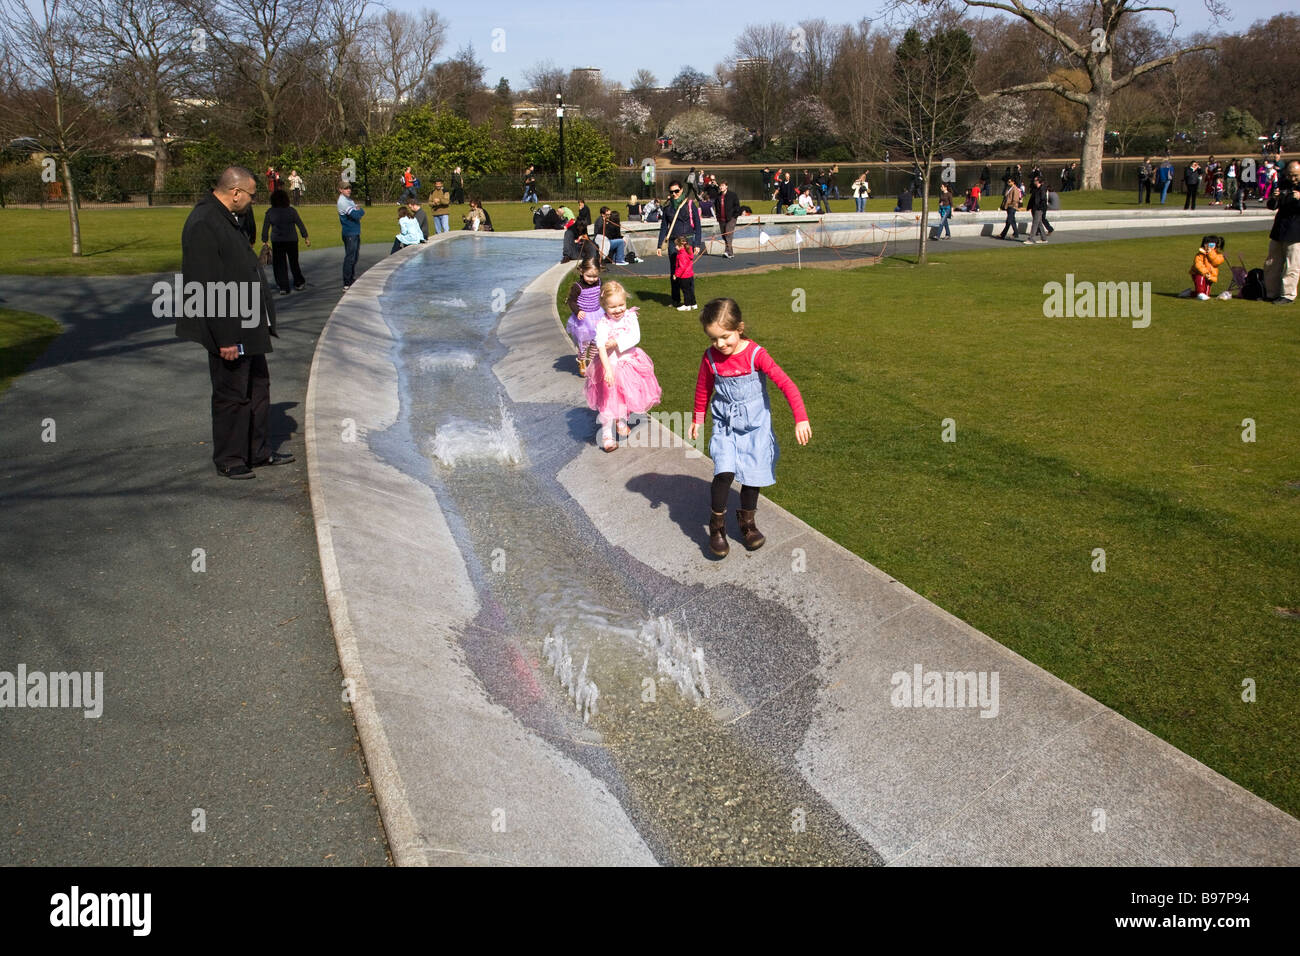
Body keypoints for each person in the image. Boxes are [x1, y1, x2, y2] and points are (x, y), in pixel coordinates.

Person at [178, 166, 289, 479]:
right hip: (230, 327)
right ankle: (230, 458)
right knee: (231, 394)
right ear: (235, 192)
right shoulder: (204, 222)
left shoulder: (229, 217)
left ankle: (258, 451)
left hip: (249, 321)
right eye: (251, 195)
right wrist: (225, 338)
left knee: (257, 389)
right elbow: (204, 285)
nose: (253, 201)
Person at [688, 297, 810, 557]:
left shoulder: (756, 354)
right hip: (725, 424)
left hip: (755, 425)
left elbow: (786, 384)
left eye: (725, 336)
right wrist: (698, 418)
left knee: (754, 474)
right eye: (713, 339)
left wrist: (800, 417)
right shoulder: (710, 358)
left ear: (739, 328)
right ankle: (717, 526)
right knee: (724, 471)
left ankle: (747, 523)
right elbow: (703, 389)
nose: (720, 344)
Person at [585, 280, 661, 452]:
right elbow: (601, 348)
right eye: (613, 307)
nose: (618, 310)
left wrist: (617, 342)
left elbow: (635, 337)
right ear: (604, 306)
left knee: (625, 396)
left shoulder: (630, 316)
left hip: (629, 364)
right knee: (608, 400)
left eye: (621, 305)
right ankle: (607, 436)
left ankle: (620, 421)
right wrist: (607, 370)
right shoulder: (603, 324)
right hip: (610, 365)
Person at [655, 180, 703, 309]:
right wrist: (659, 245)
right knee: (674, 271)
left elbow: (698, 226)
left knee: (688, 271)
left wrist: (697, 243)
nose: (674, 194)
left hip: (687, 241)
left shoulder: (689, 204)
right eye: (671, 192)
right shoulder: (667, 208)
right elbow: (664, 227)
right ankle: (675, 299)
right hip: (673, 242)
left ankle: (691, 301)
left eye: (676, 191)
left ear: (681, 190)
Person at [1264, 160, 1300, 304]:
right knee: (1271, 263)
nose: (1293, 179)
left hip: (1296, 231)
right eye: (1290, 175)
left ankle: (1288, 294)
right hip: (1280, 229)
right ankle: (1271, 292)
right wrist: (1275, 198)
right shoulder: (1283, 183)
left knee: (1292, 265)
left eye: (1296, 176)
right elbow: (1272, 206)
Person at [260, 188, 309, 293]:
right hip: (291, 239)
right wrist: (305, 237)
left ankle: (283, 286)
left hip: (277, 240)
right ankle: (298, 282)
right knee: (294, 262)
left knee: (279, 264)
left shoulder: (270, 212)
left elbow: (265, 227)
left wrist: (264, 239)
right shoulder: (291, 210)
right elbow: (300, 224)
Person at [566, 254, 603, 376]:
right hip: (584, 319)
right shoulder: (578, 287)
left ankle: (591, 362)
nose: (592, 279)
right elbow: (571, 301)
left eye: (595, 276)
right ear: (581, 271)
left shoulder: (599, 282)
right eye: (589, 276)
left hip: (597, 316)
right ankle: (581, 360)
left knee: (595, 342)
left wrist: (603, 296)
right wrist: (577, 311)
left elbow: (602, 294)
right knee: (584, 343)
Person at [337, 181, 364, 291]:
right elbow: (356, 215)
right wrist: (361, 210)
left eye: (349, 188)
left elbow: (356, 213)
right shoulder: (343, 202)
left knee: (354, 257)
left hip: (355, 232)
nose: (348, 190)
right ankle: (347, 282)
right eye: (346, 188)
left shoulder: (349, 200)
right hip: (350, 233)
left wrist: (358, 211)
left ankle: (351, 278)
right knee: (350, 257)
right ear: (340, 190)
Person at [1187, 235, 1225, 299]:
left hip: (1210, 275)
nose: (1208, 246)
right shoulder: (1200, 254)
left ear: (1215, 245)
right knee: (1200, 285)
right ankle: (1200, 293)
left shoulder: (1219, 255)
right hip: (1198, 273)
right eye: (1206, 244)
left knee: (1206, 294)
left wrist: (1210, 253)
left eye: (1211, 245)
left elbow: (1216, 262)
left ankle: (1190, 293)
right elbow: (1198, 265)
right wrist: (1205, 272)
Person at [715, 179, 740, 258]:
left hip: (731, 218)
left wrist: (735, 216)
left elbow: (737, 206)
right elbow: (716, 207)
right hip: (721, 219)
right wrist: (717, 216)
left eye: (722, 186)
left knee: (728, 234)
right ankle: (731, 253)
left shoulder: (732, 195)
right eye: (720, 186)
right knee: (724, 236)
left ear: (726, 186)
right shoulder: (718, 196)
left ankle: (727, 251)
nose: (721, 187)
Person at [673, 236, 698, 311]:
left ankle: (687, 305)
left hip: (684, 276)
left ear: (681, 245)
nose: (675, 247)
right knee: (690, 290)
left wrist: (676, 274)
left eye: (677, 245)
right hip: (690, 274)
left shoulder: (682, 255)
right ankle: (693, 304)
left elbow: (682, 267)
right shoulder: (688, 250)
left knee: (685, 291)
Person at [1024, 174, 1050, 243]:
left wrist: (1039, 207)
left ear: (1038, 181)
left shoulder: (1042, 189)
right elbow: (1032, 199)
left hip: (1039, 208)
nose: (1034, 181)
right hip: (1034, 208)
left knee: (1035, 223)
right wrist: (1029, 207)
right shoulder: (1035, 189)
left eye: (1035, 180)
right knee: (1039, 223)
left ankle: (1031, 238)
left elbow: (1043, 199)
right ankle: (1044, 238)